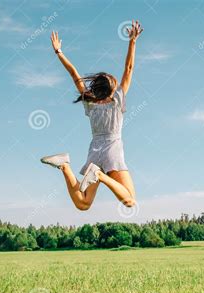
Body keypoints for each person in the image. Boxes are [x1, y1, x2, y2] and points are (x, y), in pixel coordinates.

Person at [40, 20, 143, 211]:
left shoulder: (89, 102)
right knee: (130, 201)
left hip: (95, 152)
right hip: (112, 152)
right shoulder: (117, 100)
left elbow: (74, 74)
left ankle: (64, 165)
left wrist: (59, 52)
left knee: (83, 203)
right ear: (112, 90)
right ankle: (101, 175)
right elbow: (128, 69)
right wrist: (132, 41)